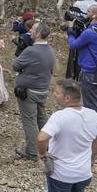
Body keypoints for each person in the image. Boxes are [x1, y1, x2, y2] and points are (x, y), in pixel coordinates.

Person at [12, 22, 56, 160]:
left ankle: (31, 151)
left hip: (29, 92)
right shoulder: (50, 50)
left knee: (29, 121)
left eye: (32, 29)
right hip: (43, 90)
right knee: (41, 117)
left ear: (37, 34)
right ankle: (48, 144)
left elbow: (15, 65)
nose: (30, 31)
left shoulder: (31, 51)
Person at [66, 2, 97, 119]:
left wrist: (70, 30)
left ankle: (92, 129)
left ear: (94, 15)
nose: (86, 13)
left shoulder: (90, 32)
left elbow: (73, 45)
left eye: (88, 11)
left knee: (90, 102)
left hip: (88, 71)